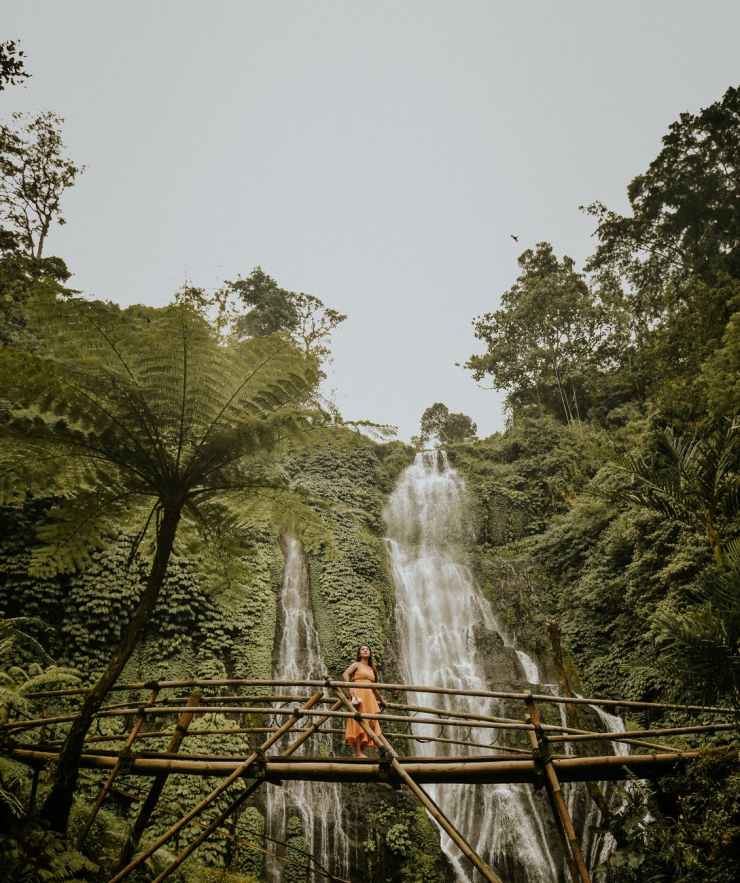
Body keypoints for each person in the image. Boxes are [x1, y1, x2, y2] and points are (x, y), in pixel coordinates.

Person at [342, 644, 384, 758]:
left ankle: (361, 751)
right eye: (362, 649)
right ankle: (358, 752)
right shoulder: (356, 664)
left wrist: (381, 700)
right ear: (359, 653)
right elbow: (345, 674)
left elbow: (373, 687)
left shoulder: (371, 669)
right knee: (358, 721)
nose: (365, 651)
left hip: (370, 697)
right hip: (359, 693)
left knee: (370, 722)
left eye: (367, 649)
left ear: (370, 653)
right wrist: (350, 687)